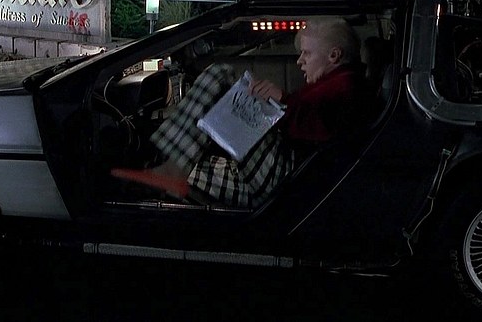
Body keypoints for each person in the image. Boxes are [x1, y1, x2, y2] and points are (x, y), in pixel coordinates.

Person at [112, 16, 374, 208]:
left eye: (306, 53)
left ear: (334, 56)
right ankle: (148, 170)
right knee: (193, 165)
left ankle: (152, 155)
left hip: (289, 177)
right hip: (283, 180)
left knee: (221, 75)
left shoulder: (346, 86)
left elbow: (315, 128)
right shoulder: (337, 85)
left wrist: (281, 100)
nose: (299, 61)